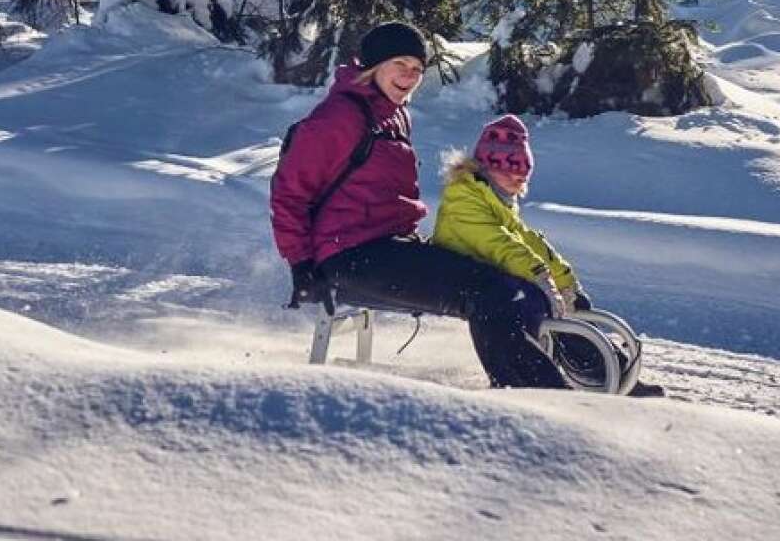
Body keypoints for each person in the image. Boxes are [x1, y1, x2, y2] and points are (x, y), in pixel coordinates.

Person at [270, 22, 568, 390]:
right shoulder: (339, 118)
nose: (410, 77)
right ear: (372, 65)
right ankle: (537, 395)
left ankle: (573, 373)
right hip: (348, 257)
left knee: (511, 280)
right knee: (489, 292)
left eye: (417, 69)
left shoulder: (392, 113)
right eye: (400, 64)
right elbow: (290, 194)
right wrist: (300, 265)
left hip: (389, 246)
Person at [432, 114, 665, 397]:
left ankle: (612, 372)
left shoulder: (496, 198)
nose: (517, 177)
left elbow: (529, 241)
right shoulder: (464, 197)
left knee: (560, 310)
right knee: (535, 302)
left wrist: (566, 282)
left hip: (493, 274)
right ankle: (542, 387)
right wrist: (542, 279)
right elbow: (501, 244)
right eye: (509, 168)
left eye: (522, 170)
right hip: (460, 274)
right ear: (487, 166)